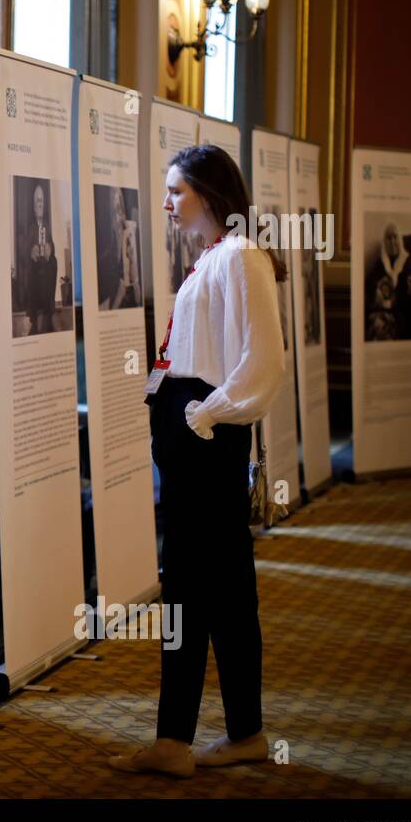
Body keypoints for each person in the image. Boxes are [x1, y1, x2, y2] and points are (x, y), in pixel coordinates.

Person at [109, 143, 286, 778]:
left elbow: (265, 359)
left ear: (210, 193)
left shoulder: (239, 257)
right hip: (198, 436)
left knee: (195, 589)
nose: (166, 203)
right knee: (221, 589)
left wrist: (206, 414)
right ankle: (234, 733)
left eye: (177, 191)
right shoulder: (217, 257)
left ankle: (180, 739)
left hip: (207, 440)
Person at [20, 183, 56, 334]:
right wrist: (31, 252)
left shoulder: (47, 226)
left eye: (41, 200)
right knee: (32, 268)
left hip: (45, 269)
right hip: (34, 269)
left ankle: (48, 313)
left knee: (54, 262)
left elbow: (51, 246)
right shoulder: (30, 228)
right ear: (33, 206)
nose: (40, 204)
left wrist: (50, 251)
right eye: (37, 201)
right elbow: (24, 250)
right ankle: (34, 319)